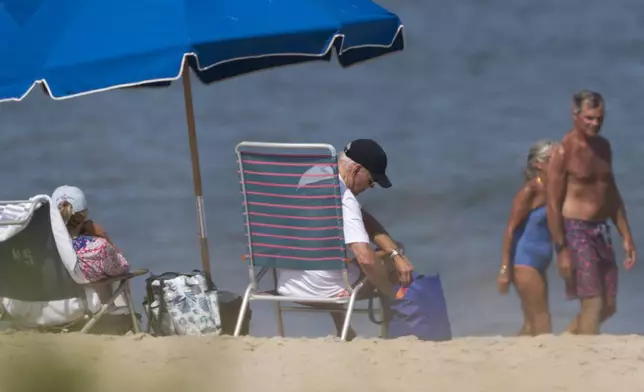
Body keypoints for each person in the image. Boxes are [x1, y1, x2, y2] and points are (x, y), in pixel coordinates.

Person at [277, 139, 414, 339]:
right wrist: (390, 290)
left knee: (333, 256)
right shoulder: (344, 199)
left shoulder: (312, 175)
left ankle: (344, 329)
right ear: (356, 169)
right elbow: (366, 260)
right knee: (379, 262)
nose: (372, 187)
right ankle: (394, 328)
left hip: (287, 284)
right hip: (326, 291)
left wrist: (393, 251)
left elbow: (362, 217)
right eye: (371, 181)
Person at [546, 90, 636, 335]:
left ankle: (567, 339)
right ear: (575, 115)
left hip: (601, 230)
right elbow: (552, 203)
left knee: (608, 305)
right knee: (592, 301)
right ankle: (586, 356)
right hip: (576, 230)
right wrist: (561, 249)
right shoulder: (563, 152)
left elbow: (611, 192)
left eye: (599, 118)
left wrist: (626, 235)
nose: (595, 123)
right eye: (589, 118)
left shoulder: (604, 147)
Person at [498, 140, 557, 336]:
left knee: (531, 324)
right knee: (542, 319)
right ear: (538, 164)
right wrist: (504, 270)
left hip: (539, 262)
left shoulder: (554, 190)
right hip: (524, 261)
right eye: (552, 159)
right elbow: (510, 229)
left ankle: (510, 358)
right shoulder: (530, 191)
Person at [52, 185, 130, 284]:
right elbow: (122, 268)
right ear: (84, 215)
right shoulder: (98, 248)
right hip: (86, 298)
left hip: (48, 297)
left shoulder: (44, 246)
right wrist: (102, 235)